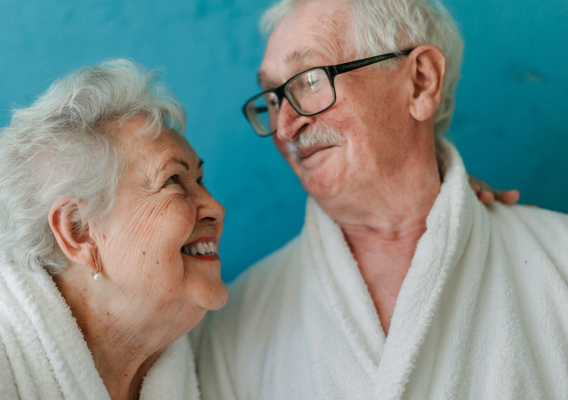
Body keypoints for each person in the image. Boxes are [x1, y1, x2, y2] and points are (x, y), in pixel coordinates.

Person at [193, 0, 568, 398]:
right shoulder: (235, 325)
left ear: (420, 82)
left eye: (311, 79)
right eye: (272, 96)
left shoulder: (557, 261)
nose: (285, 127)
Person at [0, 59, 228, 399]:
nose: (215, 207)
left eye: (200, 179)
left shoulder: (215, 357)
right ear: (78, 231)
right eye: (173, 180)